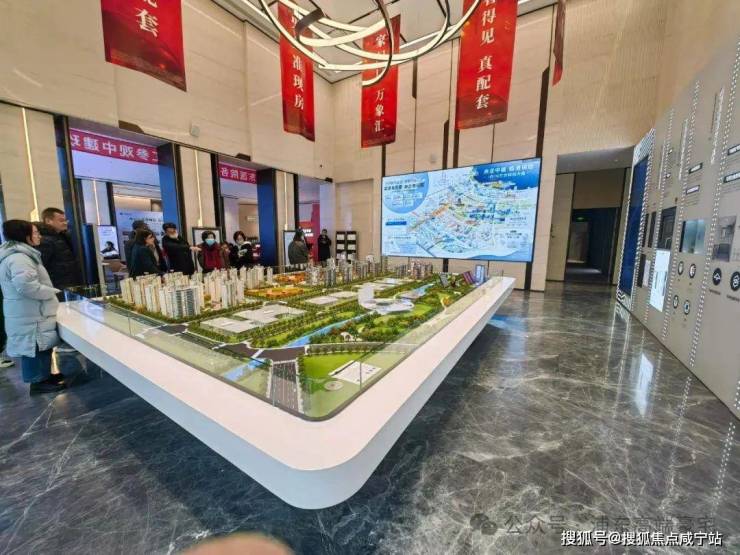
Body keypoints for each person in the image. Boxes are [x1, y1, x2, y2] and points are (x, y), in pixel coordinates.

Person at [0, 220, 65, 393]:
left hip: (30, 311)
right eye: (35, 232)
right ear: (25, 236)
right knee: (33, 346)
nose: (39, 236)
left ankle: (44, 376)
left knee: (41, 345)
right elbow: (26, 286)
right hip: (29, 312)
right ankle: (37, 381)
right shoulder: (19, 258)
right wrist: (51, 292)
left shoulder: (21, 255)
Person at [35, 207, 82, 291]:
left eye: (65, 220)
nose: (65, 223)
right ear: (48, 221)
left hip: (70, 283)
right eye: (61, 220)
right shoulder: (45, 241)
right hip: (58, 286)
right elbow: (40, 266)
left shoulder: (62, 236)